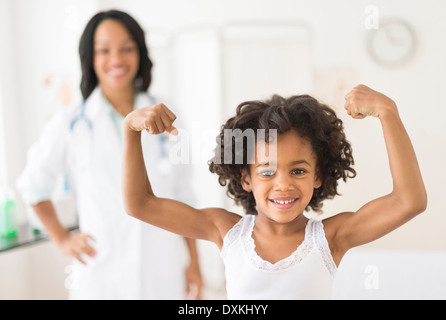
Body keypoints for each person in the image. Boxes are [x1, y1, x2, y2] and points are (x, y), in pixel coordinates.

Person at [122, 84, 427, 299]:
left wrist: (388, 112)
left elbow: (408, 201)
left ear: (318, 175)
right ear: (245, 178)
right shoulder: (226, 231)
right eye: (267, 172)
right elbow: (140, 204)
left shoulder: (331, 238)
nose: (283, 184)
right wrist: (130, 131)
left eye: (298, 170)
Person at [17, 10, 202, 299]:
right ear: (90, 58)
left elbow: (185, 194)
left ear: (140, 52)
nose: (116, 59)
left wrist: (194, 264)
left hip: (162, 267)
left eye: (126, 48)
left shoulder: (167, 112)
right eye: (104, 50)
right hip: (102, 272)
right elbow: (33, 185)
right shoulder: (71, 122)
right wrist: (63, 239)